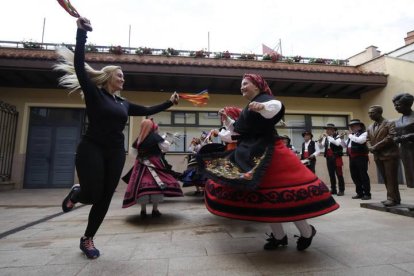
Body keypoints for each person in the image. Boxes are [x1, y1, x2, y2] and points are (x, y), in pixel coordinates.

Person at [55, 17, 179, 259]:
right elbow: (80, 67)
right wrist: (81, 34)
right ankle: (77, 194)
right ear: (109, 76)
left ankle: (88, 239)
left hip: (114, 153)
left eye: (124, 76)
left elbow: (145, 110)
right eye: (120, 75)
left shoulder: (123, 103)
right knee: (91, 194)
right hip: (91, 148)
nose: (123, 79)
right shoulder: (94, 94)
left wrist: (169, 102)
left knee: (104, 197)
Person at [199, 74, 339, 251]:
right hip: (252, 154)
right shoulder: (247, 108)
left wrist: (261, 106)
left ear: (257, 86)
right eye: (241, 85)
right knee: (266, 201)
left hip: (270, 154)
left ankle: (306, 232)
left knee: (287, 200)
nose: (242, 87)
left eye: (245, 84)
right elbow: (238, 131)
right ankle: (279, 237)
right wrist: (226, 120)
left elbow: (276, 106)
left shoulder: (264, 99)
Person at [122, 119, 183, 217]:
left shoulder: (139, 139)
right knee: (157, 184)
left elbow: (134, 152)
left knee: (141, 185)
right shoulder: (155, 137)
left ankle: (143, 211)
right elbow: (165, 148)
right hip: (154, 163)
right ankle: (155, 210)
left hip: (140, 165)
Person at [366, 105, 401, 207]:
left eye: (372, 113)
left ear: (379, 113)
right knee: (386, 177)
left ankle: (392, 198)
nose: (370, 115)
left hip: (389, 154)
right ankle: (393, 198)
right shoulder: (370, 126)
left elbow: (391, 137)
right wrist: (370, 147)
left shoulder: (389, 123)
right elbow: (367, 139)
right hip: (378, 155)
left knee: (391, 177)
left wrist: (376, 147)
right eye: (369, 113)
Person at [342, 119, 371, 200]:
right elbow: (344, 146)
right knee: (354, 175)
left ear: (359, 126)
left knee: (363, 175)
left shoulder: (364, 133)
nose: (352, 128)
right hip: (352, 157)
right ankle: (360, 193)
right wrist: (341, 139)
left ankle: (367, 194)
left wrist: (350, 135)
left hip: (361, 157)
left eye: (354, 126)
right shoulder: (352, 135)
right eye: (351, 126)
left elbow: (360, 141)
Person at [392, 93, 414, 188]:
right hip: (405, 150)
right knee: (411, 175)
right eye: (395, 105)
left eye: (398, 105)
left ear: (407, 105)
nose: (396, 107)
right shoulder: (398, 120)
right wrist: (395, 138)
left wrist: (408, 136)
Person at [317, 124, 345, 196]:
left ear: (333, 130)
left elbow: (337, 143)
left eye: (328, 129)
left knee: (339, 174)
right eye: (326, 129)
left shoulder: (338, 136)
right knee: (331, 174)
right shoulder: (326, 138)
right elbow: (320, 147)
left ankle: (341, 190)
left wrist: (328, 137)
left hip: (336, 157)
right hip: (329, 158)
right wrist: (320, 141)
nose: (326, 131)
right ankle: (333, 189)